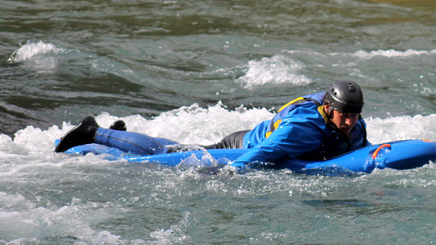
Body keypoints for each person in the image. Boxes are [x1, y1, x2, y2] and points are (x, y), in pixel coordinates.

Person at [54, 80, 370, 169]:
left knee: (178, 147)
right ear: (328, 109)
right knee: (165, 153)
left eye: (355, 114)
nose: (350, 121)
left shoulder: (355, 125)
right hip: (239, 147)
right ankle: (94, 132)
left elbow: (362, 150)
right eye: (345, 114)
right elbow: (262, 154)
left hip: (252, 145)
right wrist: (226, 173)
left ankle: (116, 134)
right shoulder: (301, 128)